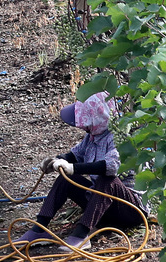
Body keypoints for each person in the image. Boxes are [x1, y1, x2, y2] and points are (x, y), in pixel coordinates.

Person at [13, 91, 147, 251]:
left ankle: (82, 235)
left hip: (130, 211)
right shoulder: (93, 136)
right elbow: (76, 155)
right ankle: (39, 229)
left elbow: (110, 167)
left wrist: (72, 168)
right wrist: (57, 161)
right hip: (103, 206)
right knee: (66, 179)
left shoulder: (120, 137)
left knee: (107, 180)